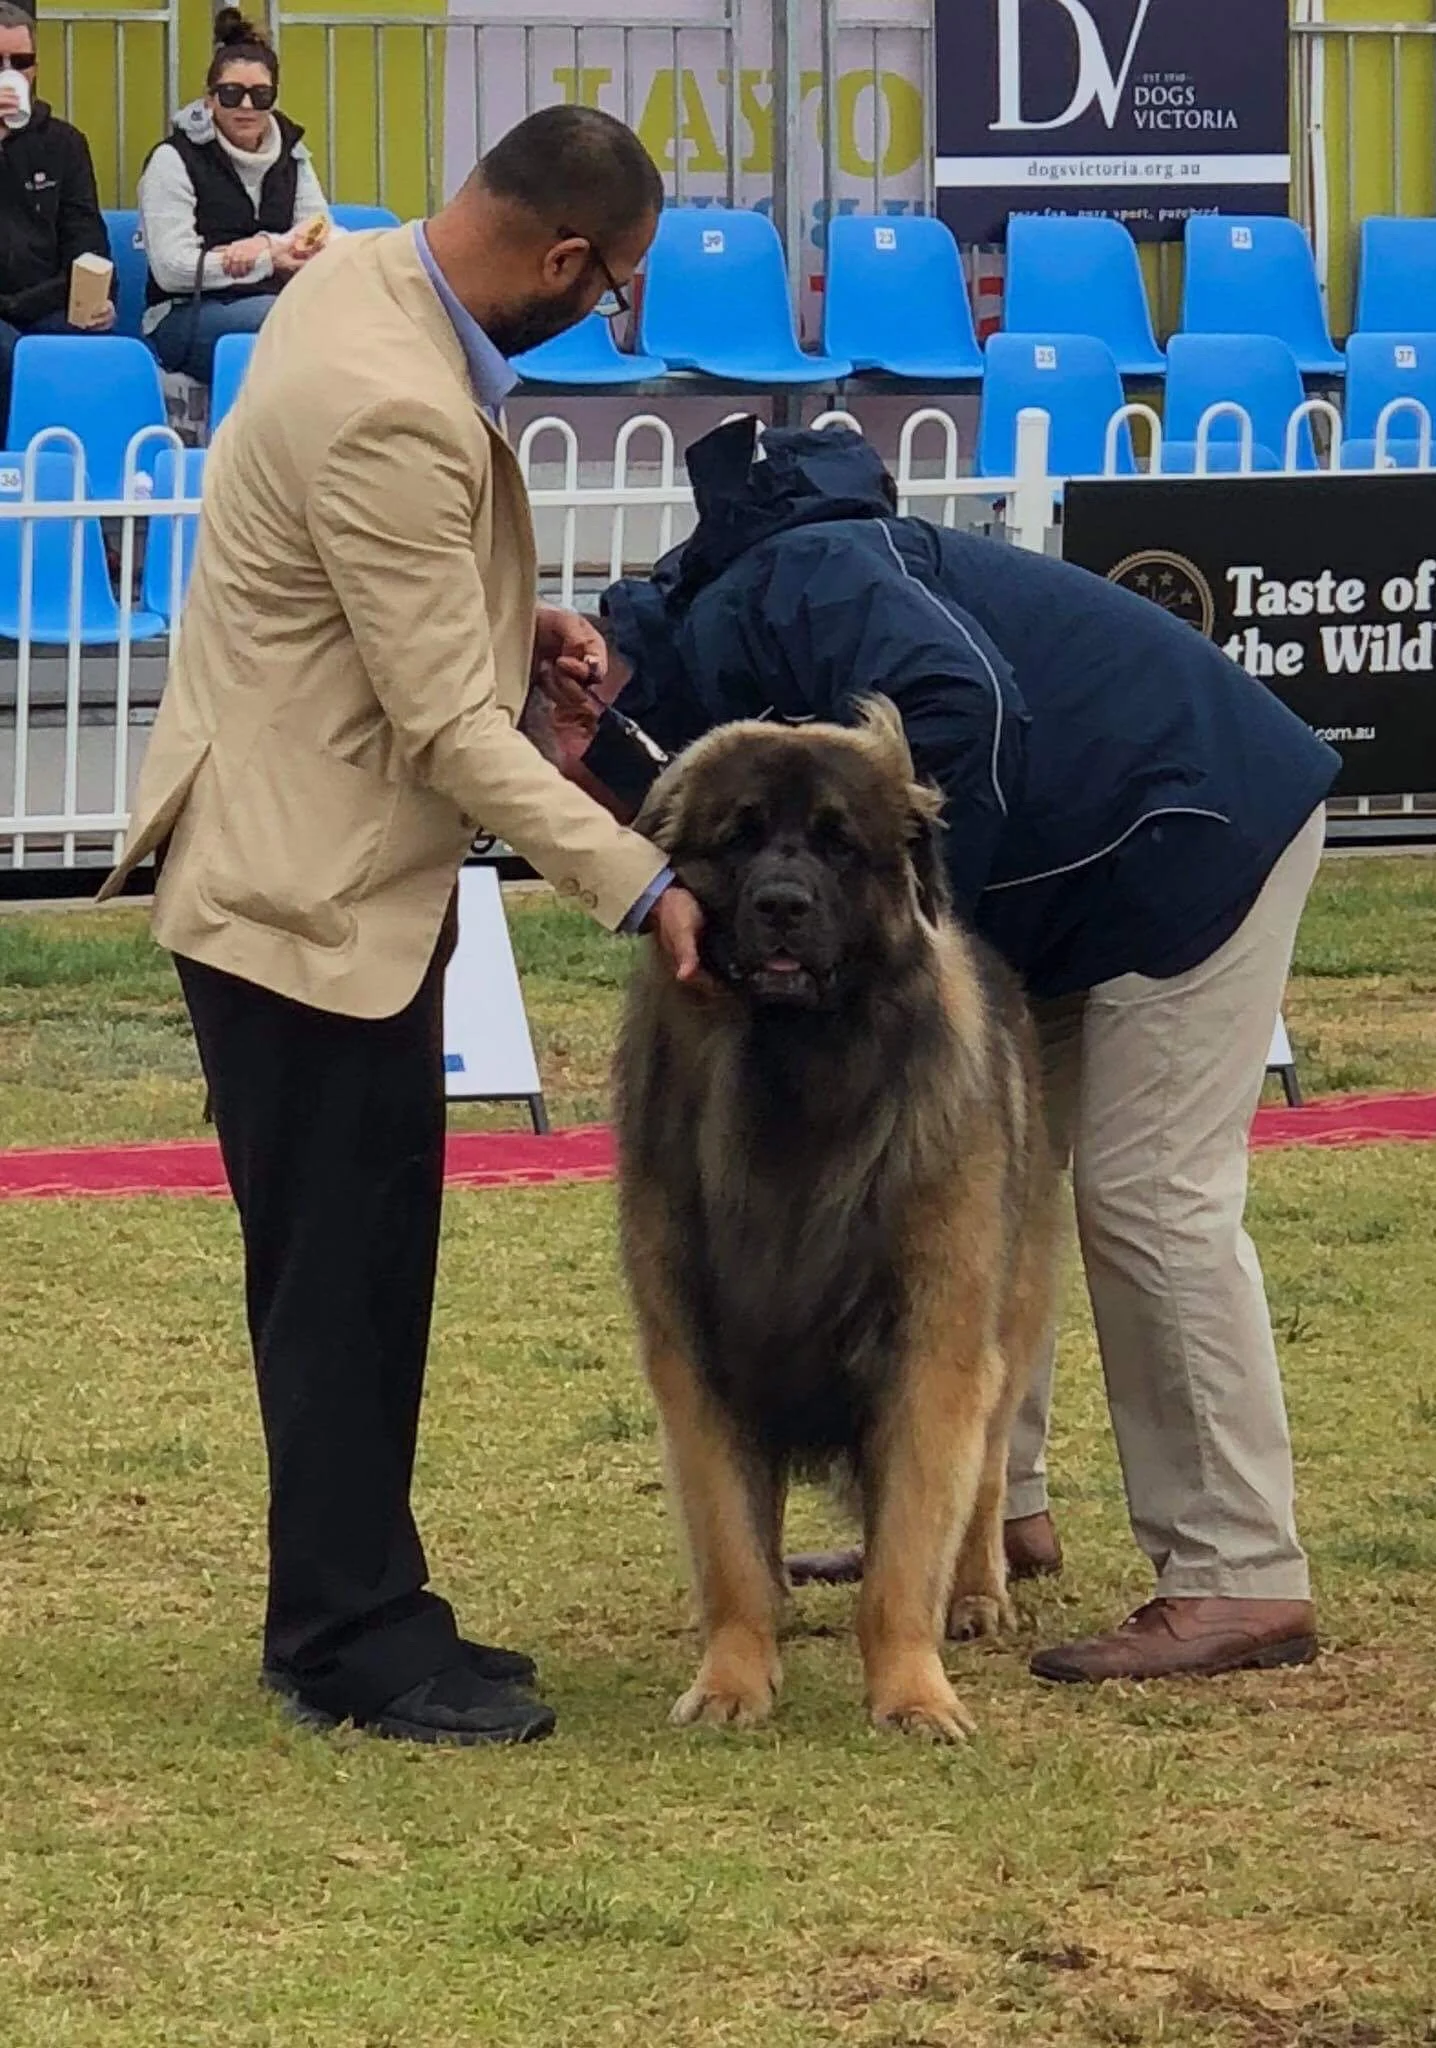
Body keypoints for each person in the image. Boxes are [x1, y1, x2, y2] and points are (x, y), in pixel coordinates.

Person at [538, 417, 1342, 1687]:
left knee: (1146, 1195)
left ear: (609, 676)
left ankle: (1234, 1574)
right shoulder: (730, 642)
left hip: (1190, 836)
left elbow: (960, 705)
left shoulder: (802, 574)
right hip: (1068, 883)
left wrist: (911, 919)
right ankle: (978, 1523)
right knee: (991, 1217)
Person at [99, 107, 704, 1748]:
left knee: (356, 1270)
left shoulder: (358, 277)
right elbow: (444, 722)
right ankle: (349, 1637)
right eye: (621, 295)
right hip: (308, 896)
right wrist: (644, 882)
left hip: (301, 865)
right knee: (341, 1282)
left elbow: (382, 611)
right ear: (567, 259)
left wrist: (523, 622)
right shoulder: (392, 404)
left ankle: (366, 1605)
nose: (611, 324)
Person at [138, 8, 336, 385]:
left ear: (274, 99)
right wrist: (271, 260)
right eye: (231, 94)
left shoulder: (293, 153)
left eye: (260, 95)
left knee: (346, 314)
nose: (246, 106)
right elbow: (174, 268)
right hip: (185, 313)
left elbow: (320, 229)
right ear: (210, 99)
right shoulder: (172, 158)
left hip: (278, 301)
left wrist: (264, 244)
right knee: (290, 320)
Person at [0, 0, 114, 421]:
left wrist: (100, 297)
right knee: (12, 357)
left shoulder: (64, 143)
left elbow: (85, 233)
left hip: (46, 303)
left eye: (21, 62)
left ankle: (89, 477)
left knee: (100, 355)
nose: (9, 73)